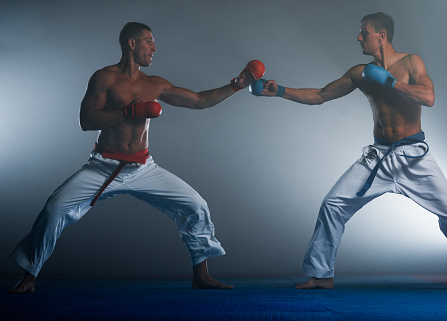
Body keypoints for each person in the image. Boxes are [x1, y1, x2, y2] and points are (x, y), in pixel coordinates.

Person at [8, 22, 265, 293]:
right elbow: (86, 120)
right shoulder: (103, 78)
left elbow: (199, 100)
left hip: (143, 168)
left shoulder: (155, 84)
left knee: (196, 206)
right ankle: (29, 278)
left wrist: (236, 86)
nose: (154, 48)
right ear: (132, 44)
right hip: (103, 166)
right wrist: (130, 112)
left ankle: (201, 276)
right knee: (53, 210)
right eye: (149, 42)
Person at [254, 12, 447, 291]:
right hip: (378, 157)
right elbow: (321, 95)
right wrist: (280, 91)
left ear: (381, 36)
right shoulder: (360, 73)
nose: (358, 37)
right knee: (333, 204)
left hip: (414, 156)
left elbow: (429, 98)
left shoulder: (411, 62)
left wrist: (390, 82)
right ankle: (322, 275)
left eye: (364, 32)